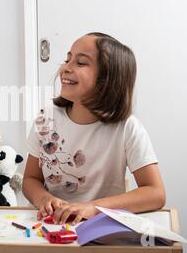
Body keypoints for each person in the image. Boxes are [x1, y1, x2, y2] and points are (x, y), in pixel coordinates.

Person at [23, 33, 166, 225]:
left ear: (107, 79)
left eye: (80, 62)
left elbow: (155, 193)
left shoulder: (127, 127)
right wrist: (44, 199)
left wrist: (93, 208)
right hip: (52, 226)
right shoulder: (46, 119)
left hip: (101, 228)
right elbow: (31, 179)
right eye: (68, 59)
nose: (66, 67)